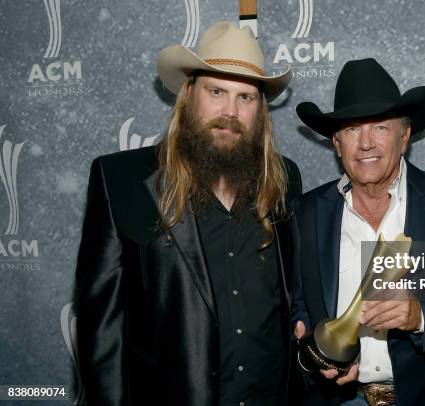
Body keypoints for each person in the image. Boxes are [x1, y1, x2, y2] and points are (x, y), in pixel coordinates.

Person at [74, 21, 302, 406]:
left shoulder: (284, 179)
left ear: (261, 110)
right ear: (188, 94)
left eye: (245, 98)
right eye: (217, 92)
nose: (230, 111)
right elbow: (102, 335)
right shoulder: (122, 180)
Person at [291, 58, 425, 406]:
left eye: (380, 126)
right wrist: (314, 353)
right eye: (351, 129)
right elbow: (300, 305)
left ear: (404, 135)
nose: (365, 143)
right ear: (336, 143)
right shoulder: (306, 212)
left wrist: (420, 317)